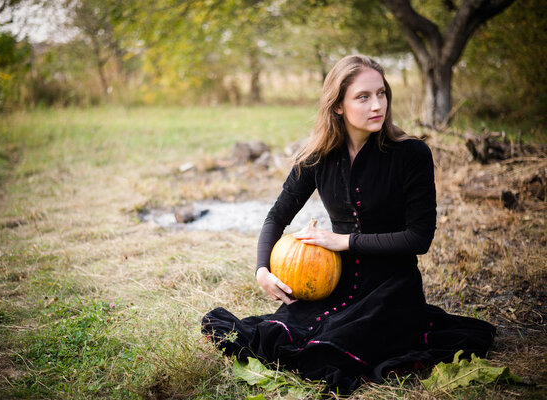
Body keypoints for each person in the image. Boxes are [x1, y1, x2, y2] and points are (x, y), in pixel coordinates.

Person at [201, 55, 496, 395]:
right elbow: (276, 216)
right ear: (338, 105)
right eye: (363, 97)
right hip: (334, 283)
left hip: (391, 287)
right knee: (280, 335)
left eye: (381, 94)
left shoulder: (412, 155)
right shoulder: (318, 155)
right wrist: (261, 270)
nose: (377, 105)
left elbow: (419, 238)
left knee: (336, 346)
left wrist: (343, 241)